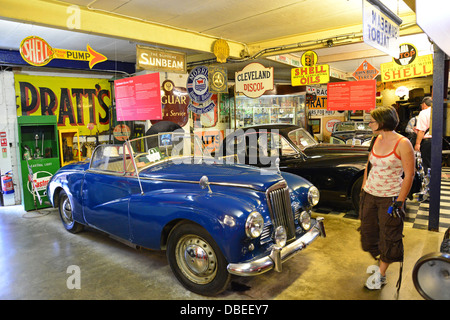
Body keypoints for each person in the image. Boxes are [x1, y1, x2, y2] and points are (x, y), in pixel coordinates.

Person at [360, 106, 415, 290]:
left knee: (389, 235)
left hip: (390, 197)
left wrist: (399, 202)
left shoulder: (403, 143)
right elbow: (370, 164)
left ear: (383, 122)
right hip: (370, 193)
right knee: (368, 234)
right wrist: (363, 187)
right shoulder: (377, 138)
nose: (369, 124)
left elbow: (409, 175)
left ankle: (382, 273)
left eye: (372, 121)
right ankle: (382, 258)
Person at [414, 97, 432, 173]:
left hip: (427, 142)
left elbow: (422, 130)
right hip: (438, 140)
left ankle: (428, 182)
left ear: (424, 104)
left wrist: (417, 143)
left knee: (426, 163)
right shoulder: (437, 111)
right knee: (434, 162)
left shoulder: (424, 113)